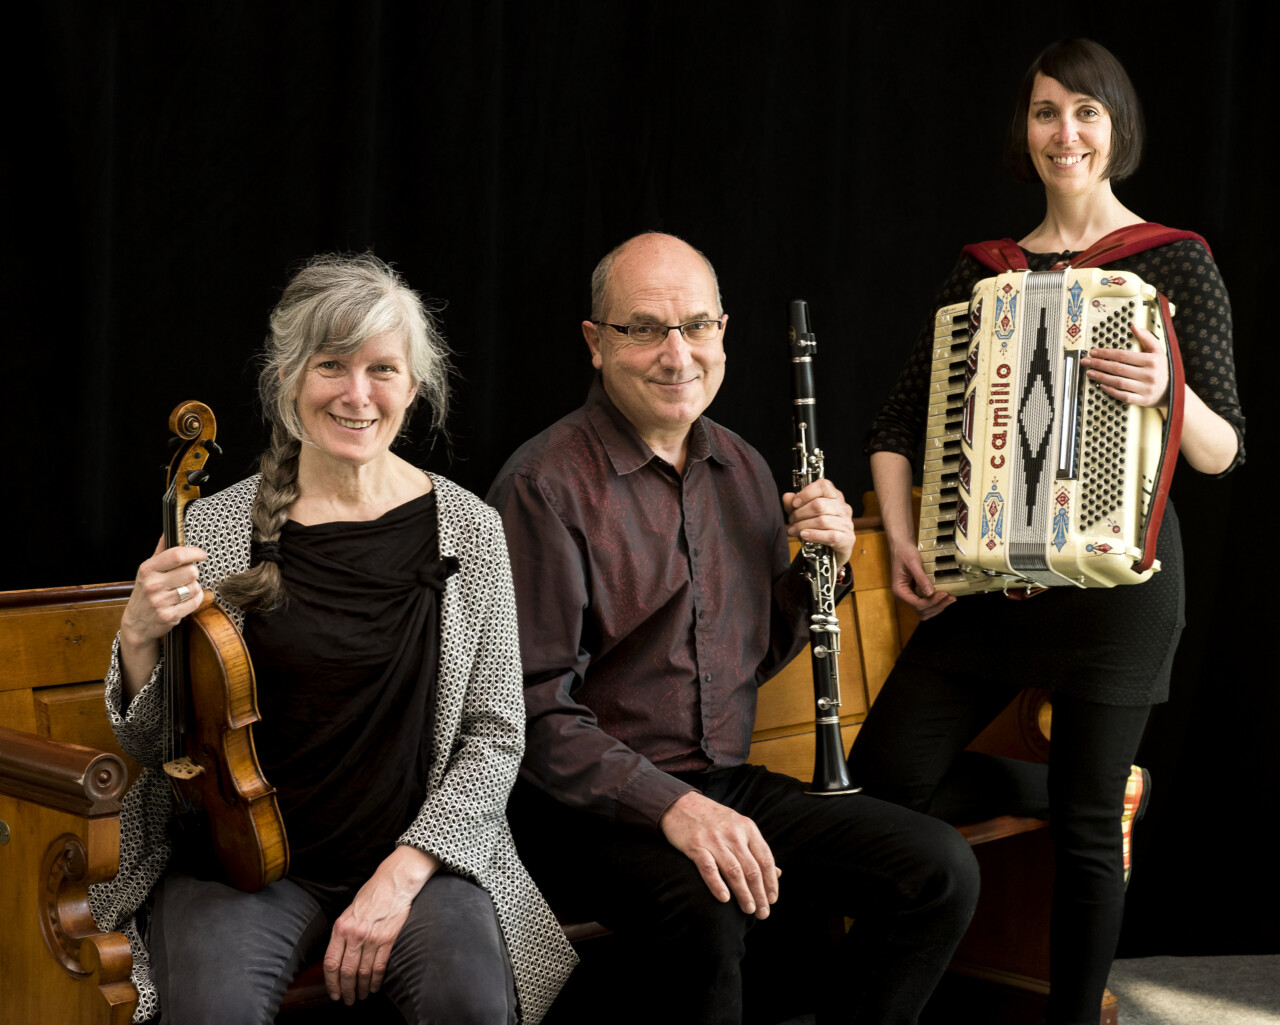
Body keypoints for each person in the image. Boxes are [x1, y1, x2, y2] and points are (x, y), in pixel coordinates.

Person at [487, 231, 980, 1025]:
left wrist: (824, 565)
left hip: (719, 782)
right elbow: (534, 713)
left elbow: (755, 655)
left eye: (697, 326)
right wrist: (671, 807)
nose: (675, 353)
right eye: (643, 327)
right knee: (707, 904)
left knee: (939, 868)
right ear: (595, 344)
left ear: (723, 332)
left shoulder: (742, 469)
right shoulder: (543, 486)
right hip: (584, 813)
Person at [850, 39, 1245, 1025]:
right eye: (1042, 112)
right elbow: (895, 427)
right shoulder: (982, 270)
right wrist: (907, 541)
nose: (1061, 132)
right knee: (887, 778)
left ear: (1117, 130)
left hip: (1120, 592)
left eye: (1083, 112)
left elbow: (1223, 450)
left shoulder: (1172, 261)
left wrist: (1170, 387)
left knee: (1081, 830)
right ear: (1020, 131)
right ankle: (1062, 783)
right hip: (989, 589)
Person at [89, 253, 576, 1024]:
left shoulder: (471, 530)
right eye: (331, 365)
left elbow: (495, 735)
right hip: (239, 868)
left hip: (417, 857)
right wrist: (139, 636)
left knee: (473, 1006)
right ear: (287, 377)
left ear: (413, 386)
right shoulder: (214, 527)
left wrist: (405, 871)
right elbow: (157, 748)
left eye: (382, 368)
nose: (358, 393)